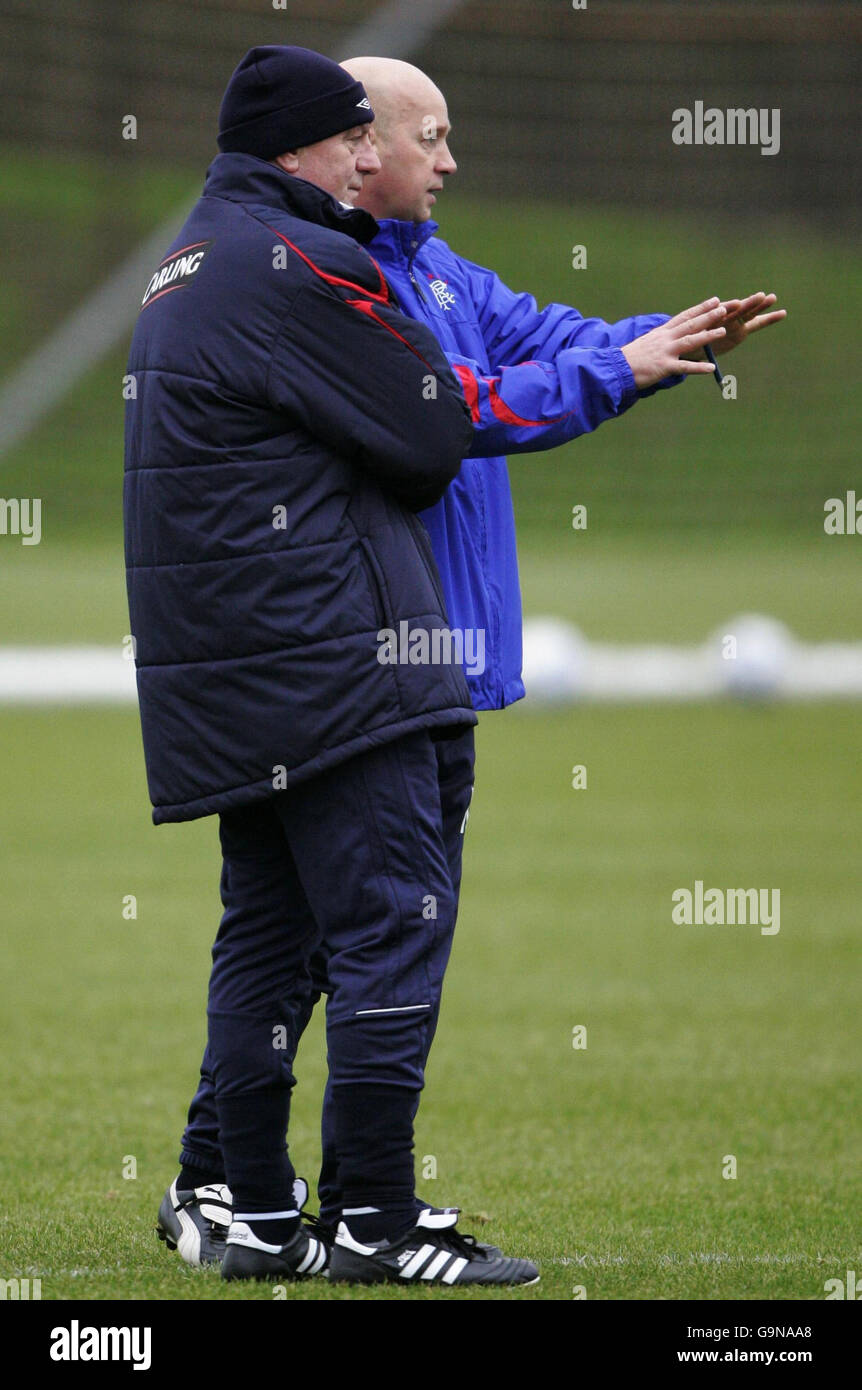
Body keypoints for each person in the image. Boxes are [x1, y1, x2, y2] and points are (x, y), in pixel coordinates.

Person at [158, 53, 785, 1278]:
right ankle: (339, 1216)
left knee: (304, 942)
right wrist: (617, 371)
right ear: (352, 145)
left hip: (407, 669)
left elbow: (529, 337)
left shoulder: (426, 265)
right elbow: (455, 410)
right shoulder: (320, 277)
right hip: (366, 671)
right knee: (355, 936)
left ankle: (232, 1191)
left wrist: (646, 338)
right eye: (423, 136)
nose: (446, 162)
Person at [128, 43, 540, 1287]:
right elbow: (430, 436)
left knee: (267, 938)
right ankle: (377, 1219)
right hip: (339, 663)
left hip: (231, 676)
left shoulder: (183, 264)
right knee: (389, 928)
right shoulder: (307, 259)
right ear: (299, 147)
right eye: (355, 137)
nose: (377, 157)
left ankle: (252, 1209)